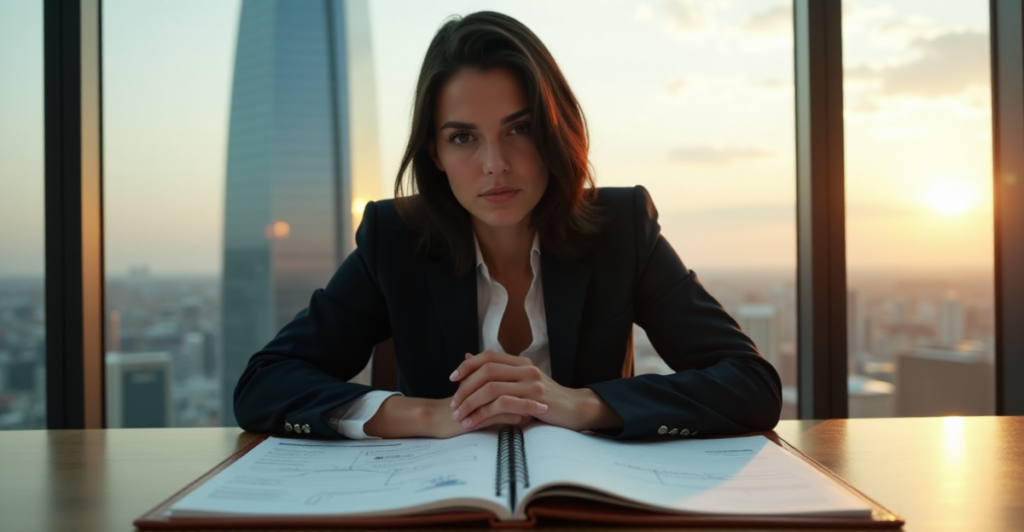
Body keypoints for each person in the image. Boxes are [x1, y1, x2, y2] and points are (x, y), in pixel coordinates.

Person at [233, 11, 781, 440]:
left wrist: (579, 403)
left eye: (518, 129)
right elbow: (264, 386)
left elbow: (751, 384)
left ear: (554, 130)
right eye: (463, 137)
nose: (495, 163)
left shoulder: (621, 228)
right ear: (436, 152)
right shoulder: (394, 238)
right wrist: (429, 416)